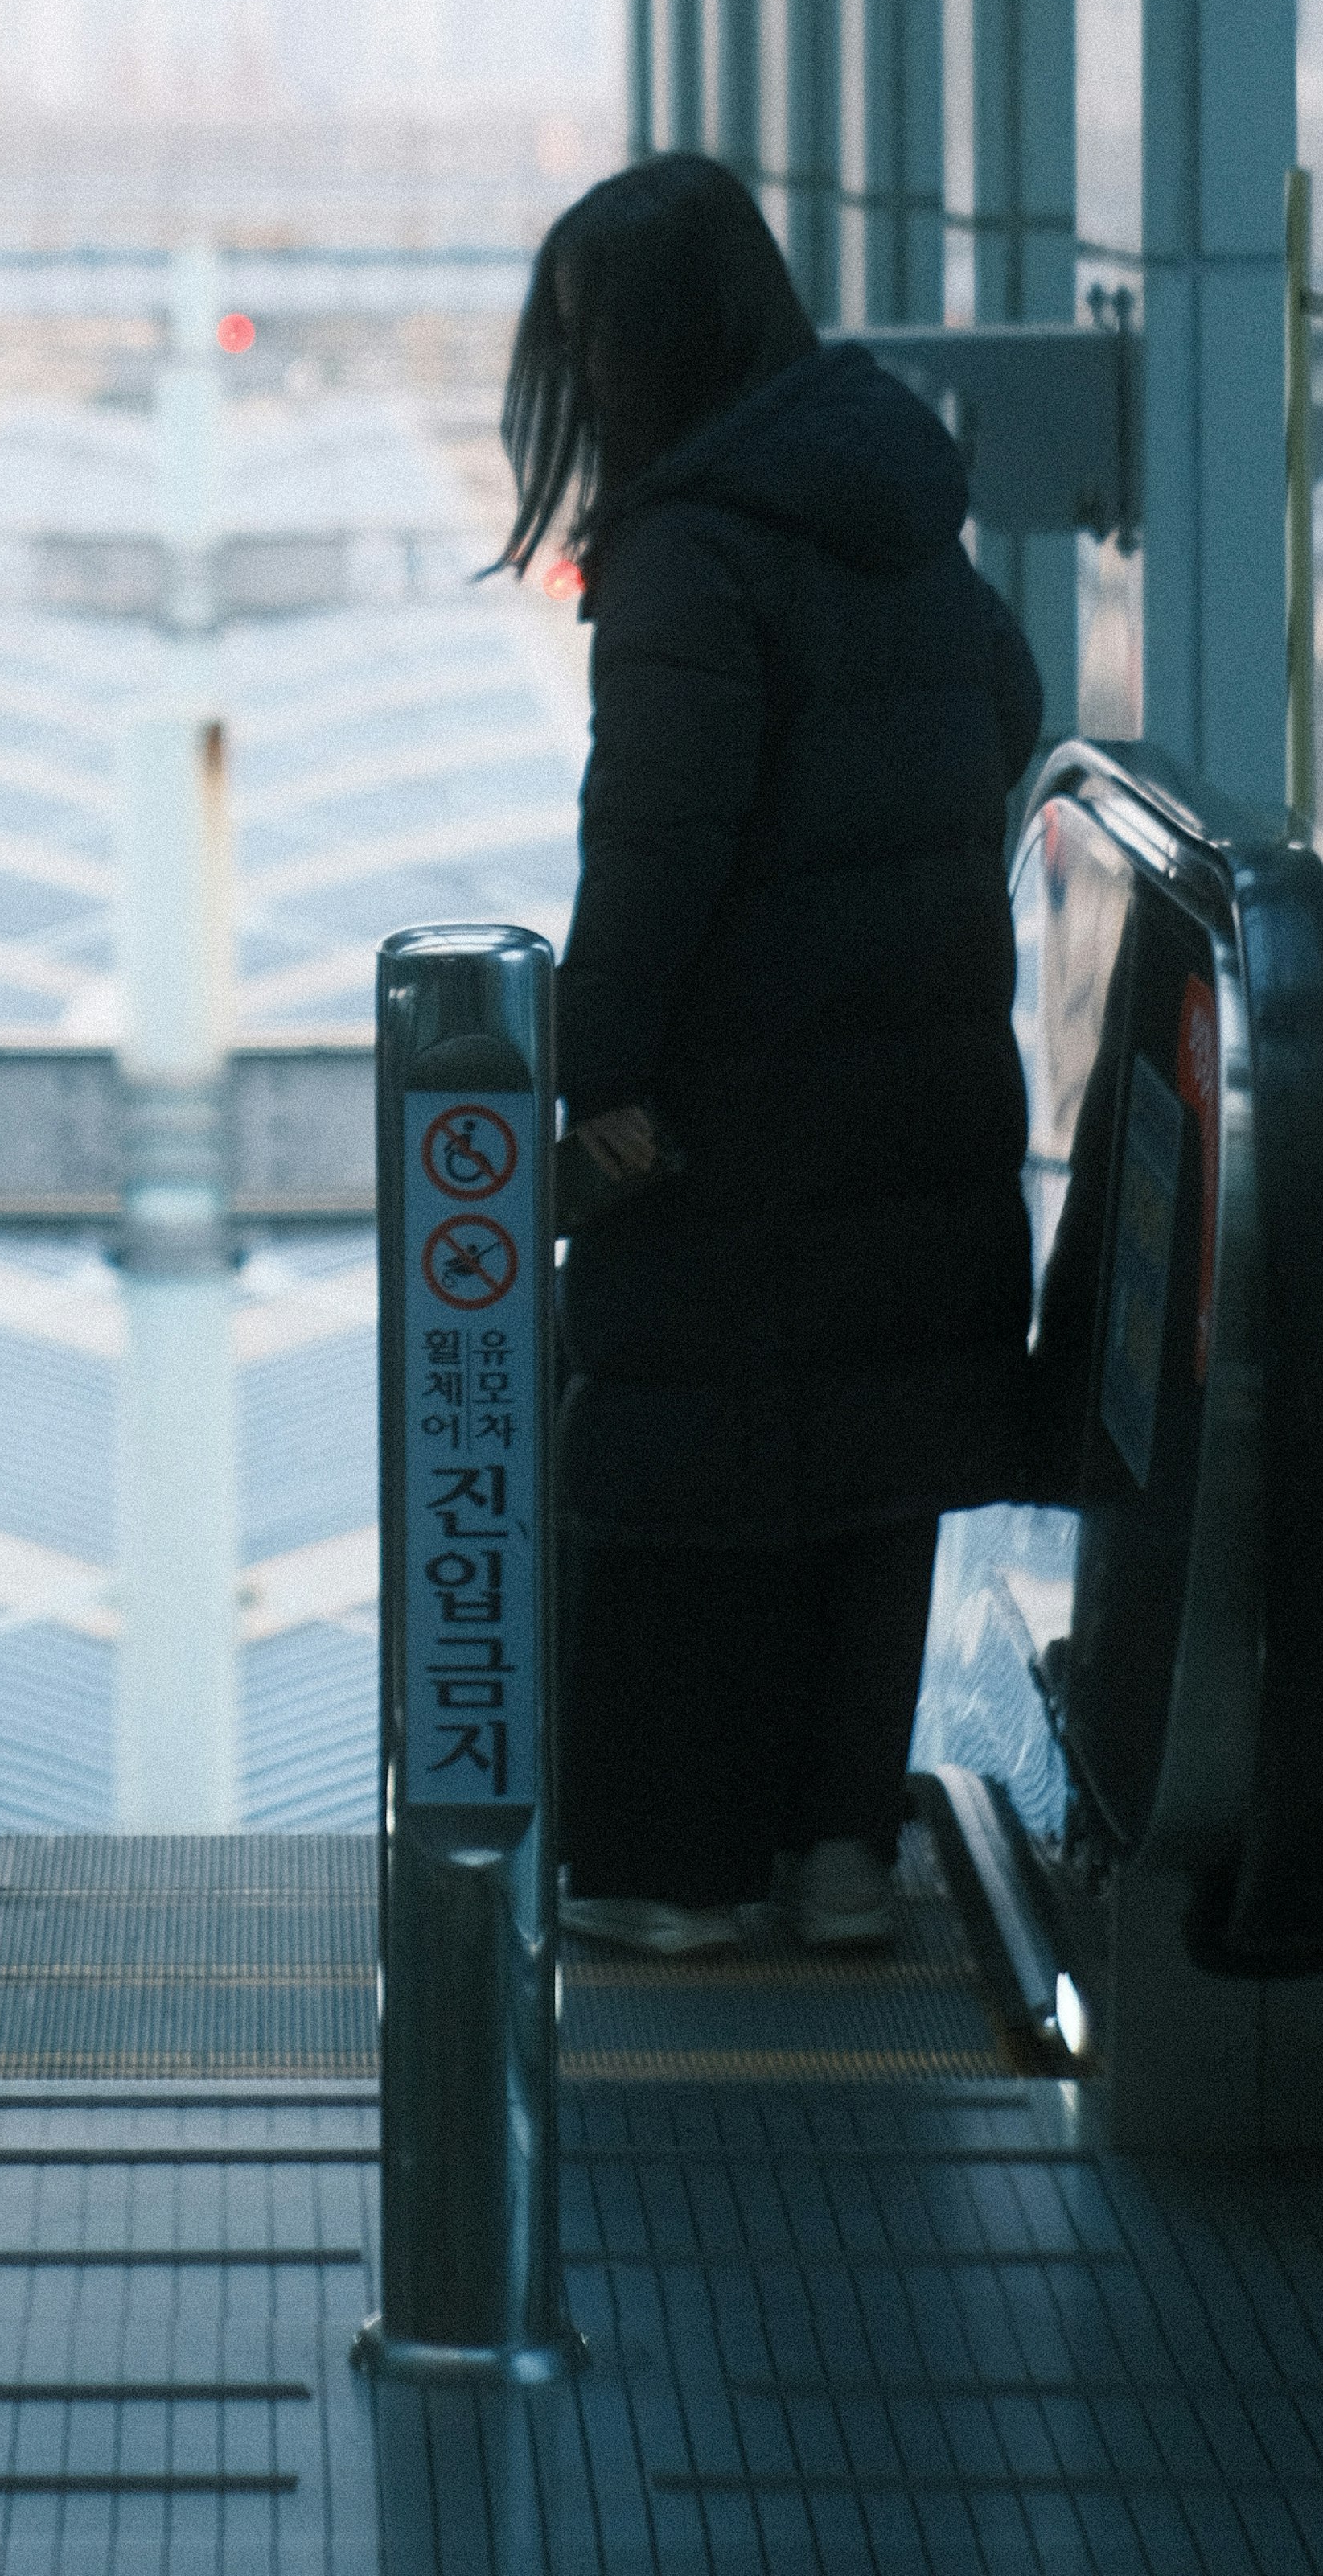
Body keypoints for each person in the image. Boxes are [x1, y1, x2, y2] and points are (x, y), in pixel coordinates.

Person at [502, 154, 1042, 1959]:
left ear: (655, 341)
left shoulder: (692, 553)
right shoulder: (894, 494)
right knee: (870, 1472)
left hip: (740, 1116)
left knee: (687, 1474)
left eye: (589, 339)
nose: (581, 377)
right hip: (924, 1091)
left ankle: (677, 1877)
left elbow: (650, 864)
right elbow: (1010, 702)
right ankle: (839, 1859)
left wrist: (576, 1087)